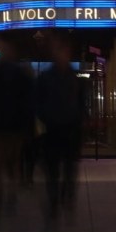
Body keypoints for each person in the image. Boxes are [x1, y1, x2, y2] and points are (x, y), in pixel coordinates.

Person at [0, 39, 34, 220]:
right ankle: (7, 196)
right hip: (9, 126)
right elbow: (27, 102)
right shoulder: (19, 75)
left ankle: (0, 199)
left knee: (0, 165)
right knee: (10, 164)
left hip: (0, 125)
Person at [35, 35, 84, 219]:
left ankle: (66, 198)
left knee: (69, 171)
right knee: (53, 171)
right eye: (57, 50)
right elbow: (38, 104)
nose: (61, 54)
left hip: (69, 131)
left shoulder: (74, 78)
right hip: (53, 131)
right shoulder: (47, 78)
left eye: (62, 50)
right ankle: (55, 203)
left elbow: (81, 105)